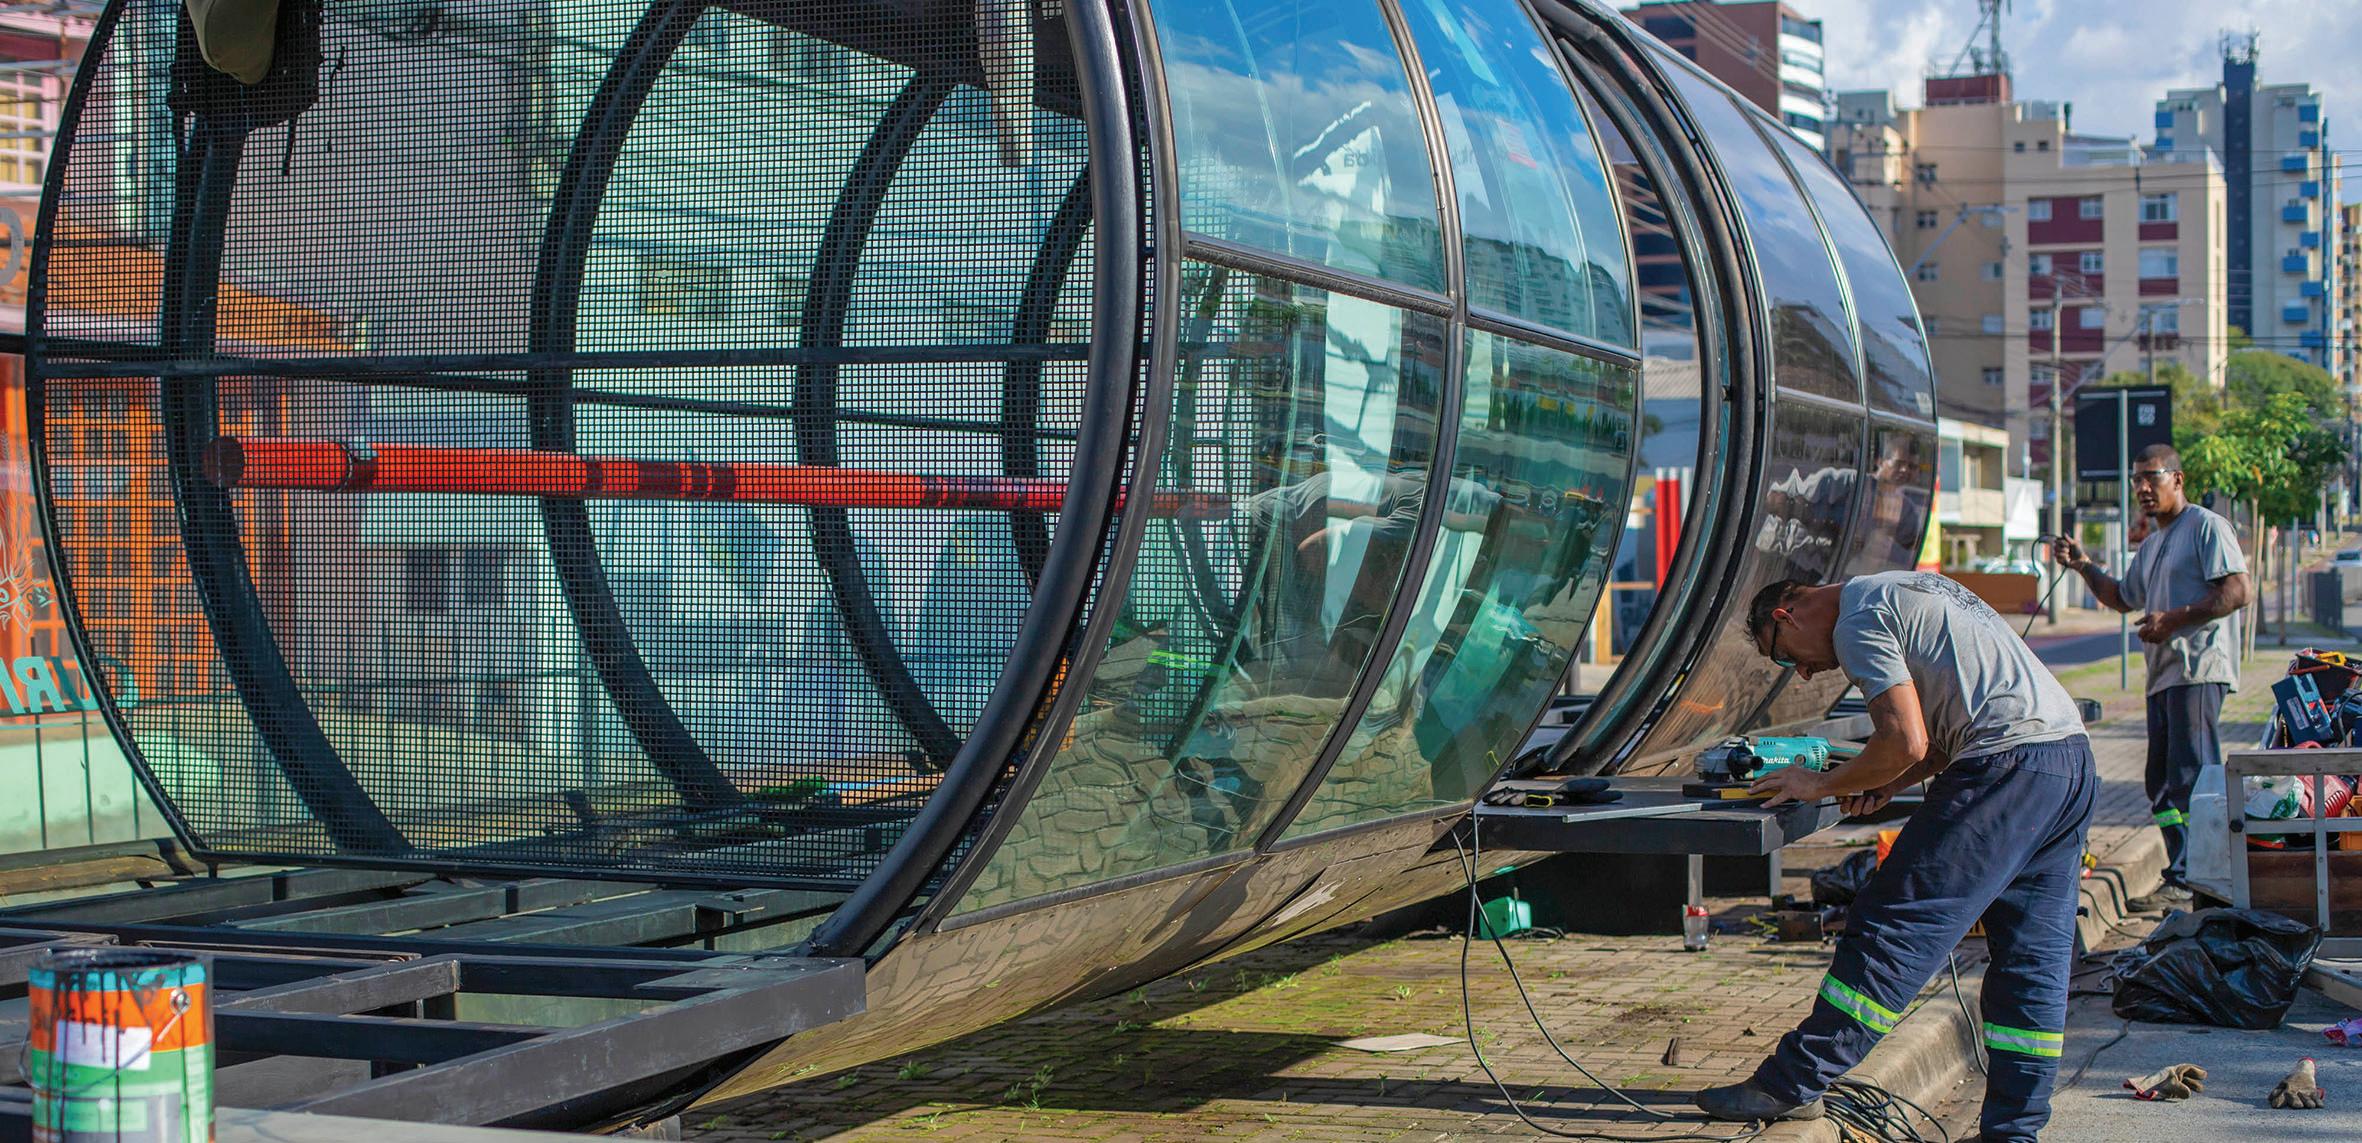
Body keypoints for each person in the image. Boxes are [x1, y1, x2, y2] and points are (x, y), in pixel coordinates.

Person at [1694, 572, 2094, 1142]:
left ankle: (1790, 1084)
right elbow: (1936, 737)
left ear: (1787, 615)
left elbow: (1904, 739)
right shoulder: (1908, 589)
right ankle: (2014, 1131)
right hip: (2067, 762)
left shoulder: (1857, 617)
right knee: (2032, 962)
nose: (1803, 672)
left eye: (1785, 657)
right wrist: (1888, 780)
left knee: (1893, 925)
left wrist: (1818, 783)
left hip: (2005, 770)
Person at [2049, 443, 2250, 909]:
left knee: (2190, 778)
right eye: (2136, 479)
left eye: (2151, 477)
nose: (2142, 487)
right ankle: (2182, 869)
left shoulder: (2205, 527)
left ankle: (2201, 881)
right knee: (2159, 783)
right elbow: (2123, 597)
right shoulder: (2155, 543)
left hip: (2197, 670)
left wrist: (2173, 620)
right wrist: (2083, 565)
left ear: (2177, 479)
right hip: (2163, 677)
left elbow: (2238, 590)